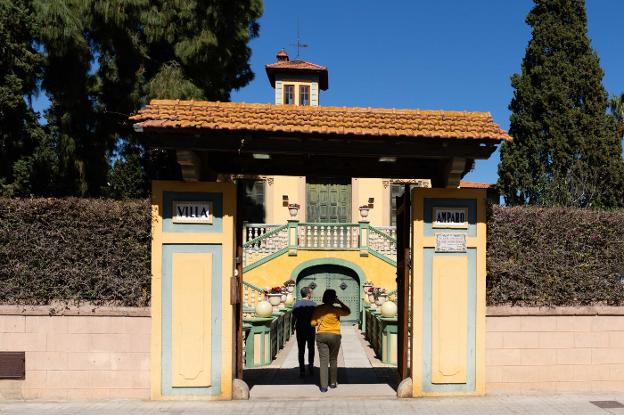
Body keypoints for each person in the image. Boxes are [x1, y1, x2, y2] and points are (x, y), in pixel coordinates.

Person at [310, 289, 350, 392]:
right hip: (335, 335)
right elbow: (348, 311)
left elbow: (312, 323)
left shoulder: (318, 309)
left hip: (321, 335)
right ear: (334, 299)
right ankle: (333, 382)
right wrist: (339, 302)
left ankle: (323, 387)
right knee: (333, 360)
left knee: (323, 361)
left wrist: (318, 321)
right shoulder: (336, 309)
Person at [291, 286, 317, 377]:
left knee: (301, 349)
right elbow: (316, 318)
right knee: (311, 348)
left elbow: (293, 318)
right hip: (310, 329)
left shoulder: (296, 304)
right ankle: (311, 366)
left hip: (300, 328)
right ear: (308, 294)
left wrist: (292, 328)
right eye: (311, 293)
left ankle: (302, 370)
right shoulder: (314, 305)